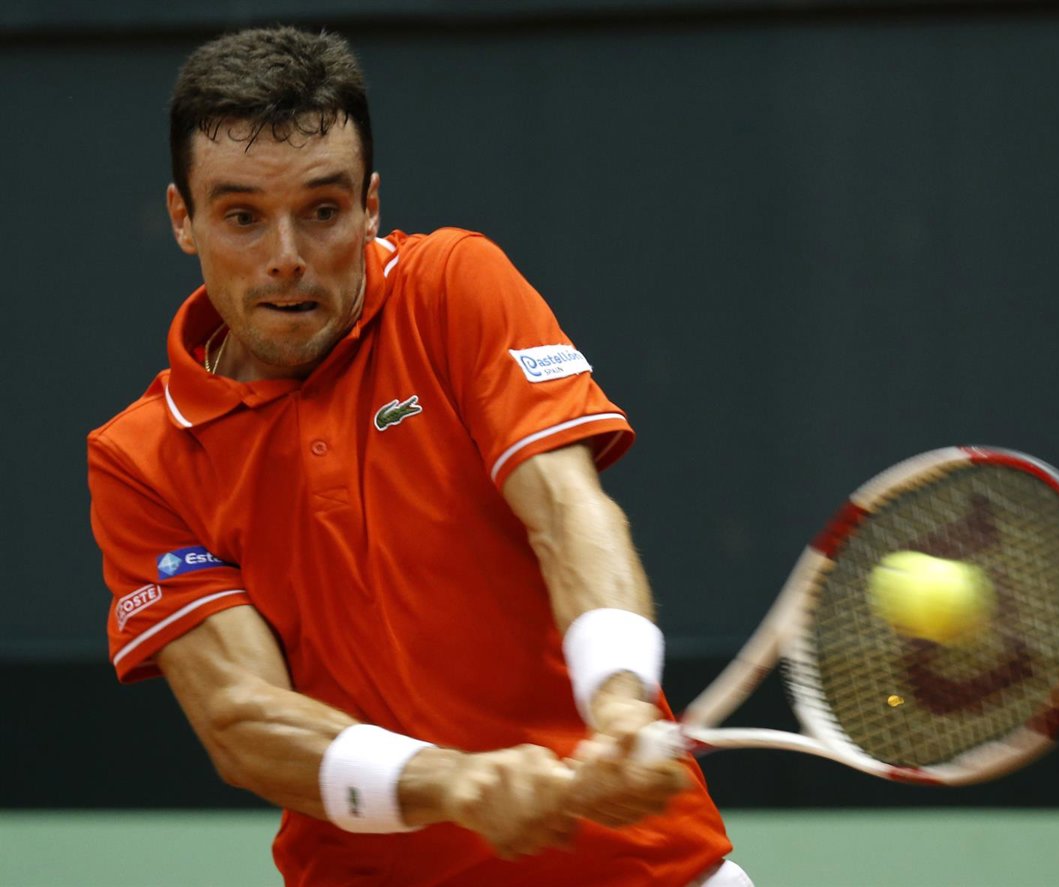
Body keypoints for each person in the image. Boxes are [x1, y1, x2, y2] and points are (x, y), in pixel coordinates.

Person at [87, 25, 752, 887]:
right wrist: (454, 783)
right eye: (243, 216)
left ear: (368, 205)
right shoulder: (141, 458)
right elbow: (241, 720)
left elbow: (566, 510)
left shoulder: (453, 287)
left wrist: (619, 693)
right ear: (185, 218)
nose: (286, 258)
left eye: (322, 211)